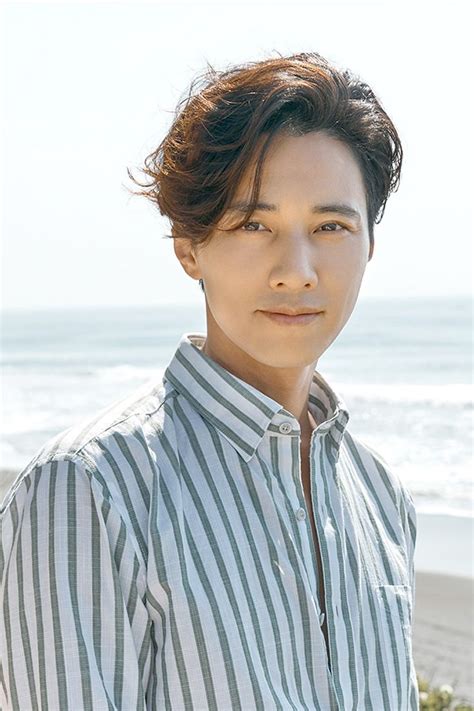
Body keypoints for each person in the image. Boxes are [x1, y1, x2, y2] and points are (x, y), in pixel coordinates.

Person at [0, 51, 418, 710]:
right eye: (256, 223)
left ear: (370, 242)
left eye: (331, 225)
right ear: (188, 244)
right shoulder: (88, 489)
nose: (297, 269)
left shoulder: (384, 499)